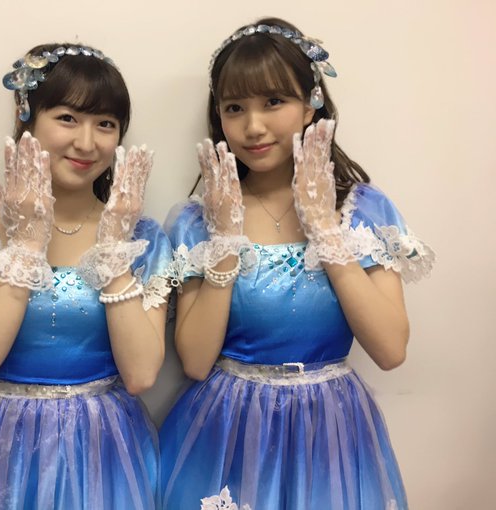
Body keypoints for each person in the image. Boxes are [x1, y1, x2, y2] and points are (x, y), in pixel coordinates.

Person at [159, 18, 435, 510]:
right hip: (227, 429)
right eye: (234, 107)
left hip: (329, 429)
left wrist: (325, 229)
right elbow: (197, 362)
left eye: (273, 101)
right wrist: (226, 239)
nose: (253, 126)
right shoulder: (198, 219)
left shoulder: (362, 209)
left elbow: (391, 350)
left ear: (311, 105)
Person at [0, 42, 171, 510]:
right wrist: (25, 246)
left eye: (105, 124)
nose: (87, 142)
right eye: (67, 118)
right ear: (26, 118)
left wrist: (113, 253)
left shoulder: (141, 238)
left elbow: (142, 374)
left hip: (104, 452)